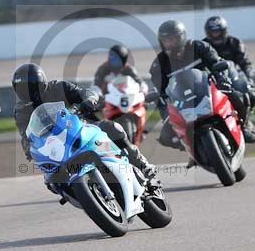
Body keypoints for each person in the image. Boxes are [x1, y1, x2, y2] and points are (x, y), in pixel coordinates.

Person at [12, 63, 158, 189]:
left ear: (41, 83)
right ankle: (81, 194)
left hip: (81, 128)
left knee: (112, 128)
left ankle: (141, 164)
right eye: (23, 89)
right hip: (54, 145)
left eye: (31, 88)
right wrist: (28, 147)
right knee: (51, 180)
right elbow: (25, 134)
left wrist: (89, 100)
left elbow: (85, 93)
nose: (29, 93)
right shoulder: (21, 110)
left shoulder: (59, 87)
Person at [149, 20, 255, 149]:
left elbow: (217, 63)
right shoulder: (158, 64)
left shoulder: (199, 47)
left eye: (174, 39)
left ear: (182, 37)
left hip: (210, 90)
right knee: (165, 137)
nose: (170, 43)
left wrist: (222, 80)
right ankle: (189, 146)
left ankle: (243, 128)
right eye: (167, 40)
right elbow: (160, 92)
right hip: (182, 102)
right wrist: (165, 112)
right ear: (161, 42)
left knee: (240, 97)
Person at [203, 15, 255, 142]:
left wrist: (249, 79)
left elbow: (246, 64)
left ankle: (245, 124)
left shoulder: (234, 43)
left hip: (233, 79)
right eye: (213, 32)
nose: (215, 35)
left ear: (224, 31)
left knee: (251, 96)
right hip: (211, 83)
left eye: (218, 31)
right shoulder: (203, 45)